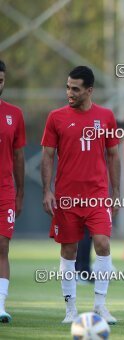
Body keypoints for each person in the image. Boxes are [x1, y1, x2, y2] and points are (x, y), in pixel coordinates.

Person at [41, 66, 120, 324]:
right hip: (66, 197)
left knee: (103, 243)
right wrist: (47, 190)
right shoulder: (56, 117)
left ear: (89, 90)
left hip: (97, 195)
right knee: (69, 250)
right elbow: (48, 155)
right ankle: (70, 309)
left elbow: (113, 155)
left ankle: (100, 306)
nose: (69, 93)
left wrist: (116, 192)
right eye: (67, 87)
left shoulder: (106, 117)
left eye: (75, 89)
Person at [0, 60, 26, 323]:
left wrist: (20, 194)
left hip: (4, 190)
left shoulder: (14, 114)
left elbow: (19, 157)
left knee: (2, 245)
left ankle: (0, 306)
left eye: (1, 80)